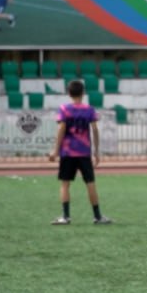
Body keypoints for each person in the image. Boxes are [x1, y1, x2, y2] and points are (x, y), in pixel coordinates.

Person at [46, 80, 111, 225]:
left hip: (68, 152)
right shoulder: (89, 109)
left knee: (65, 184)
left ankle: (65, 217)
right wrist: (96, 152)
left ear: (69, 93)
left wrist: (55, 151)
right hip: (84, 152)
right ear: (83, 93)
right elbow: (95, 129)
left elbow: (61, 129)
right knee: (90, 183)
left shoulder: (64, 109)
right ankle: (97, 216)